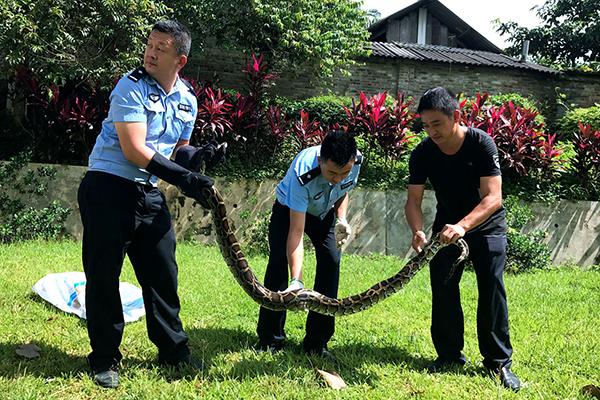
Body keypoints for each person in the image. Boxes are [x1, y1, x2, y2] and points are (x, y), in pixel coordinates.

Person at [77, 20, 223, 388]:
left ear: (181, 60)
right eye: (150, 45)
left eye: (161, 48)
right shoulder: (131, 86)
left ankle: (174, 352)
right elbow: (134, 149)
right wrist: (184, 177)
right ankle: (105, 358)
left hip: (148, 194)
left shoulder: (188, 99)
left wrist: (197, 156)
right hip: (108, 188)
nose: (151, 52)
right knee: (104, 276)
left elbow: (176, 150)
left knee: (163, 274)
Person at [404, 87, 521, 391]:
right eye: (425, 125)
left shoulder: (481, 144)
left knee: (491, 288)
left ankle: (498, 364)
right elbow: (413, 200)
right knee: (442, 286)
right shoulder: (423, 153)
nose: (431, 132)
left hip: (486, 225)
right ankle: (448, 356)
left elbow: (494, 198)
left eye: (437, 124)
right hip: (446, 228)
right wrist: (418, 229)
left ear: (456, 116)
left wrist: (463, 226)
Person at [256, 130, 361, 358]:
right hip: (289, 211)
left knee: (331, 261)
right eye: (332, 172)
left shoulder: (355, 162)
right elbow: (296, 232)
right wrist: (297, 282)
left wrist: (341, 219)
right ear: (319, 161)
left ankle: (317, 342)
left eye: (344, 172)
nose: (337, 177)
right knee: (278, 264)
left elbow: (343, 189)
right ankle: (270, 338)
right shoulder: (303, 172)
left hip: (324, 213)